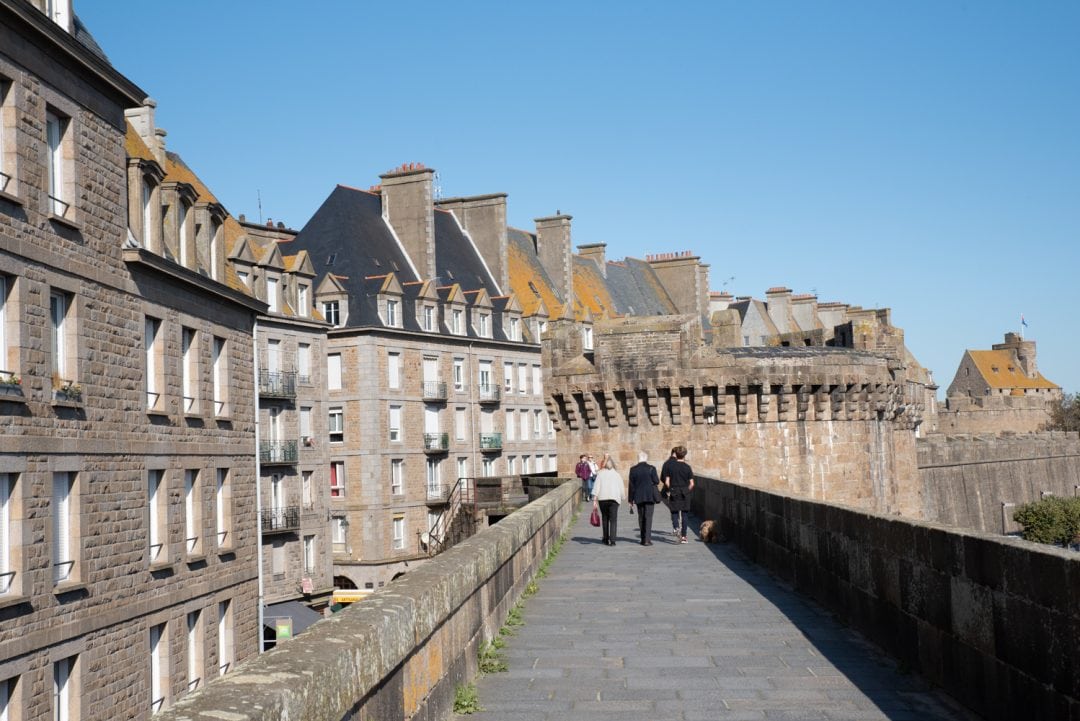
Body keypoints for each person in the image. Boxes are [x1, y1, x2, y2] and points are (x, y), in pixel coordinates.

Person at [627, 451, 661, 545]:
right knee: (648, 517)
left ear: (638, 458)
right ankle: (647, 539)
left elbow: (631, 486)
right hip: (650, 496)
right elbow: (656, 481)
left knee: (641, 517)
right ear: (646, 458)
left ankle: (642, 539)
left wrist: (630, 499)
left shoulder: (633, 469)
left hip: (638, 496)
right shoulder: (651, 468)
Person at [663, 446, 694, 543]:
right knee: (684, 514)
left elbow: (667, 481)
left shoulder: (671, 467)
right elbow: (692, 483)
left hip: (674, 491)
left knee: (674, 512)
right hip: (685, 492)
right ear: (685, 455)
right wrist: (686, 490)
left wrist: (670, 489)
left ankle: (676, 527)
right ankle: (684, 536)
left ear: (676, 454)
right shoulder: (687, 467)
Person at [591, 456, 625, 546]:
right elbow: (621, 488)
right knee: (613, 520)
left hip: (603, 499)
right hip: (614, 500)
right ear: (613, 465)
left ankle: (605, 538)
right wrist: (622, 497)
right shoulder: (617, 475)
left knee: (605, 518)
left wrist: (594, 499)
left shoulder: (600, 474)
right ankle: (613, 540)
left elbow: (596, 487)